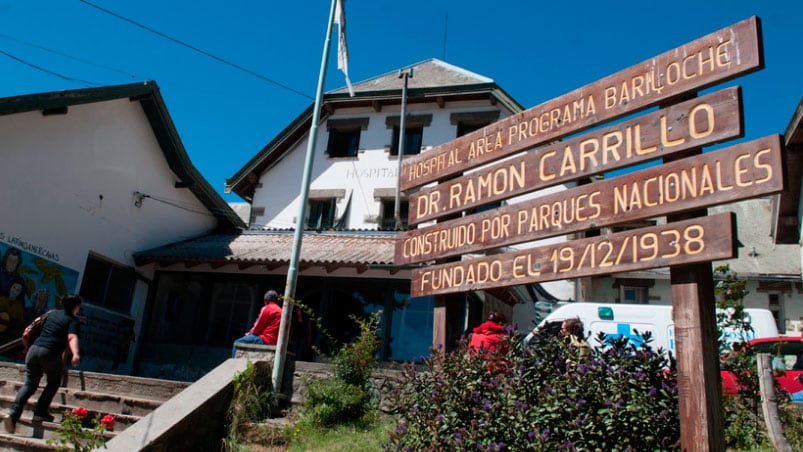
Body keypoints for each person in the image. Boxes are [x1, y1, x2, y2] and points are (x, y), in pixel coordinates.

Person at [4, 294, 82, 433]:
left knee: (29, 384)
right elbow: (71, 337)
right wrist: (75, 354)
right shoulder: (72, 320)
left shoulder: (52, 314)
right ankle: (40, 412)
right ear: (76, 307)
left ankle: (13, 414)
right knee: (53, 382)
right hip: (50, 353)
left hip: (33, 350)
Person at [232, 289, 282, 357]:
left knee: (238, 342)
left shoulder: (267, 308)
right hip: (276, 342)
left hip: (266, 339)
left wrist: (249, 334)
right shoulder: (280, 310)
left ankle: (234, 363)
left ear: (265, 300)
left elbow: (258, 327)